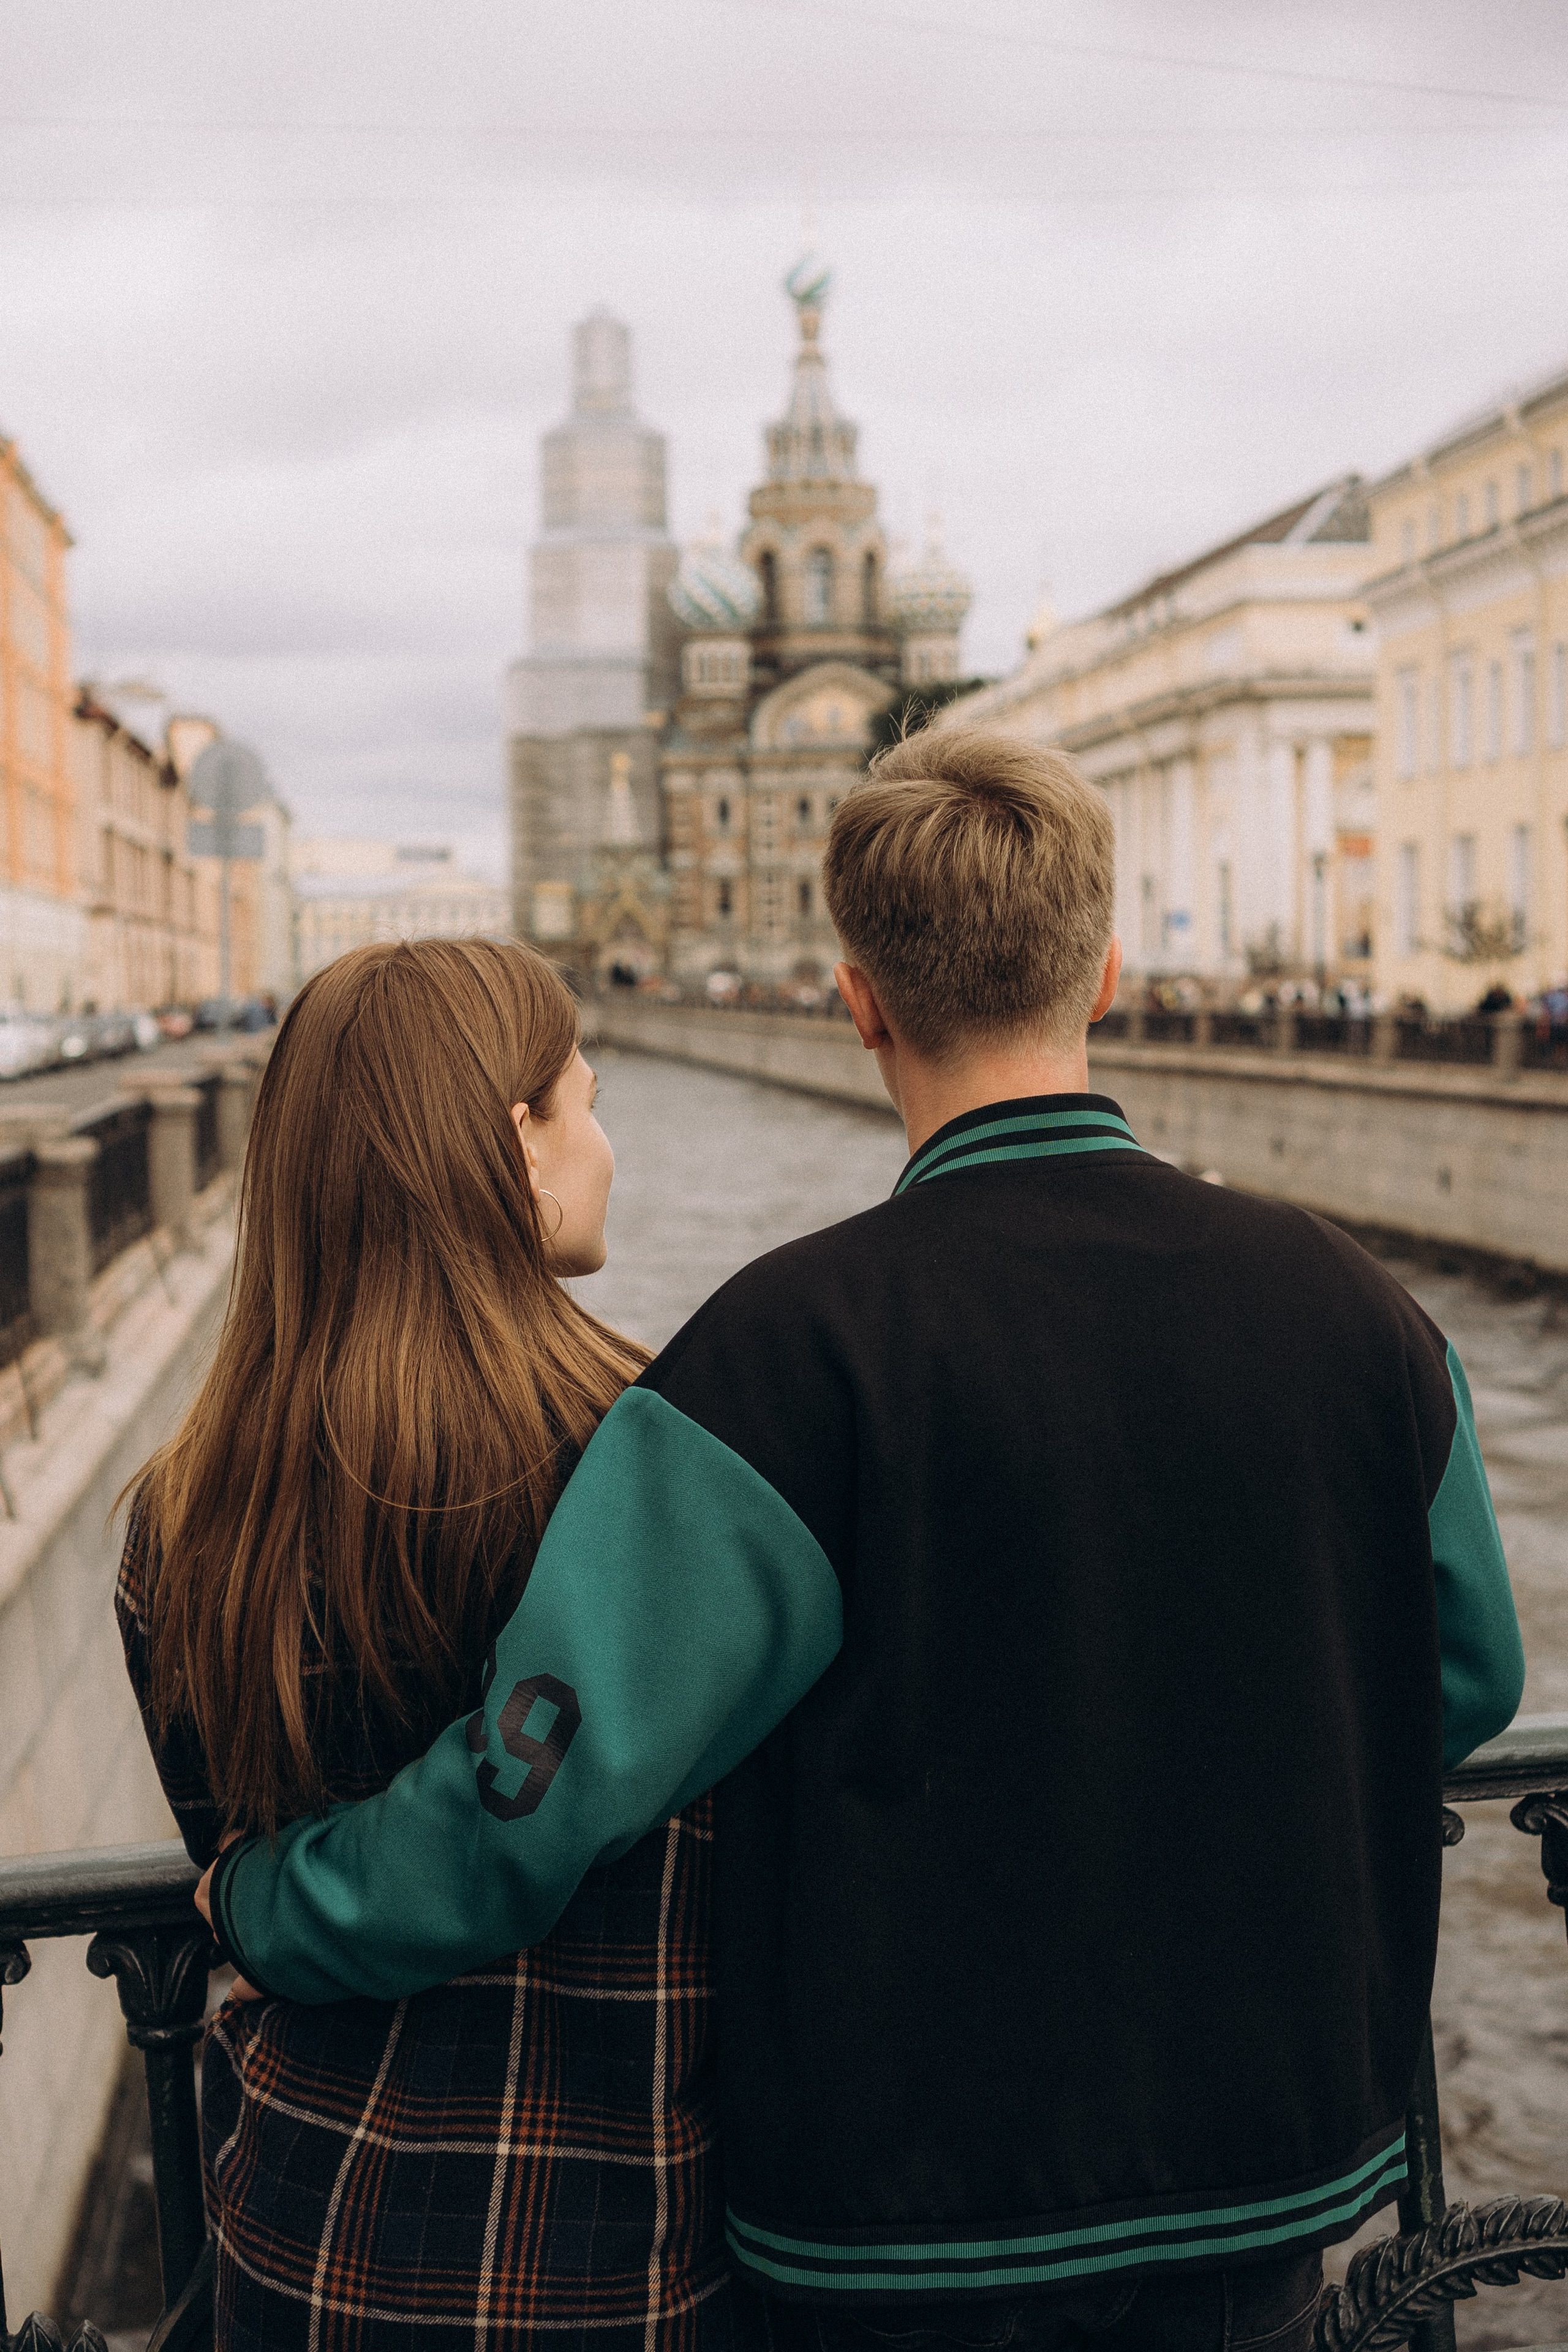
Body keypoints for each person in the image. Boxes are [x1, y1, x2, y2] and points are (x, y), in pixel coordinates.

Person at [201, 732, 1525, 2352]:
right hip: (1280, 2176)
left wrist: (266, 1906)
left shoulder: (783, 1357)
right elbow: (1459, 1678)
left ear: (859, 1002)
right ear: (1104, 973)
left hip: (910, 2235)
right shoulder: (1372, 1322)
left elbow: (530, 1793)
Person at [116, 938, 744, 2352]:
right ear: (514, 1141)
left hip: (298, 2240)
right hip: (615, 2255)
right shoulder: (665, 1451)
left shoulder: (182, 1517)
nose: (604, 1146)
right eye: (585, 1102)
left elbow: (232, 1873)